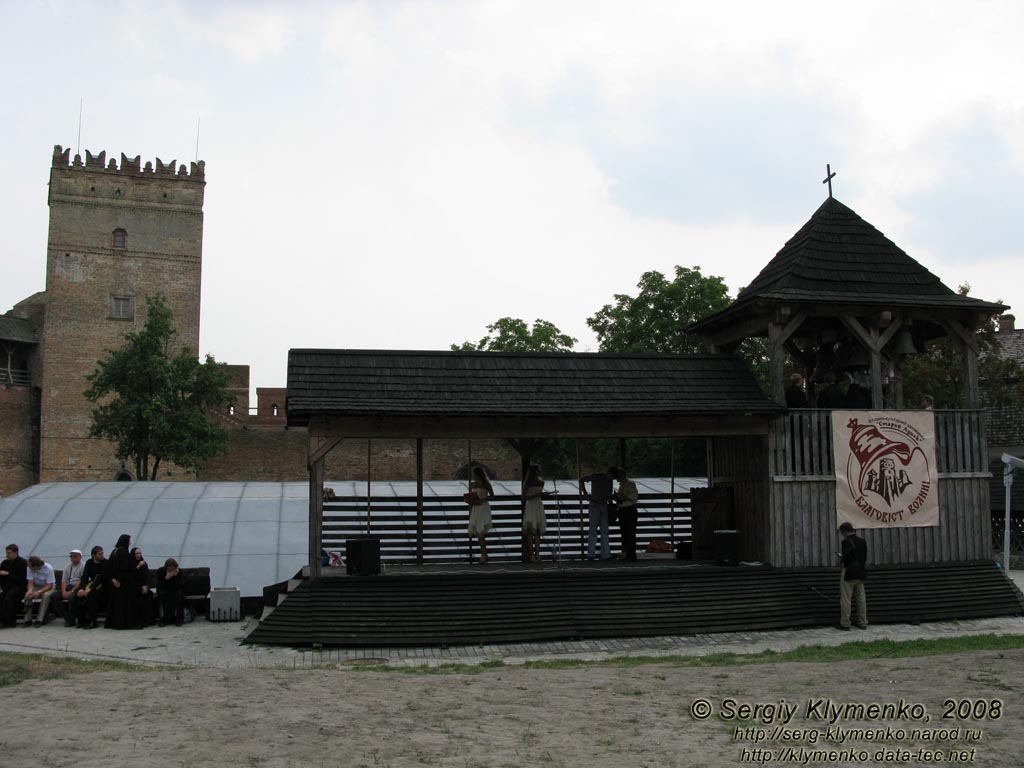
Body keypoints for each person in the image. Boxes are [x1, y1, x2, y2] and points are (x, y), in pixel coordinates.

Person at [837, 521, 868, 631]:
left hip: (848, 573)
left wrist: (841, 560)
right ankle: (863, 621)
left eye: (842, 532)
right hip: (860, 571)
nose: (842, 534)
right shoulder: (862, 541)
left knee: (846, 599)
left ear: (845, 531)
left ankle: (845, 623)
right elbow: (864, 557)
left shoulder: (846, 542)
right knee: (861, 598)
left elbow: (847, 558)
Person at [579, 468, 613, 561]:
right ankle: (591, 554)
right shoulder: (597, 476)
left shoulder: (609, 481)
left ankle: (606, 554)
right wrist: (585, 494)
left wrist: (609, 497)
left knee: (604, 530)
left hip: (603, 504)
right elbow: (581, 480)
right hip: (595, 504)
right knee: (593, 530)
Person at [105, 534, 136, 629]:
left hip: (115, 582)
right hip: (125, 583)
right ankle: (124, 623)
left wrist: (113, 579)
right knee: (124, 604)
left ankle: (114, 622)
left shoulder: (114, 552)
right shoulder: (124, 553)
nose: (130, 542)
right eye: (129, 540)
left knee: (116, 603)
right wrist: (119, 580)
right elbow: (125, 569)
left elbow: (109, 568)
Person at [610, 467, 640, 561]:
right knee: (625, 534)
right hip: (623, 510)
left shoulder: (630, 483)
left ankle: (631, 555)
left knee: (630, 534)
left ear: (621, 476)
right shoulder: (622, 484)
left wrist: (621, 497)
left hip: (629, 510)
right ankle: (628, 554)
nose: (617, 479)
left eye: (617, 477)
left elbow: (633, 498)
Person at [74, 546, 107, 629]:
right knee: (78, 595)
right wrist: (81, 588)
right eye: (100, 554)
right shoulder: (89, 562)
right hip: (92, 585)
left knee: (92, 596)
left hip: (103, 586)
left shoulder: (106, 562)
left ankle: (92, 621)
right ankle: (81, 620)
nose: (102, 555)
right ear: (93, 555)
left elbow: (101, 578)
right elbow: (84, 576)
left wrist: (90, 589)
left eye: (102, 553)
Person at [467, 466, 494, 564]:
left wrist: (482, 499)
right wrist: (470, 501)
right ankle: (484, 554)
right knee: (478, 532)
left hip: (483, 507)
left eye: (475, 474)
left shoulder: (486, 484)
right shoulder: (472, 484)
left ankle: (483, 554)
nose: (473, 476)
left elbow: (492, 496)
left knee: (480, 531)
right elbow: (471, 496)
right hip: (475, 508)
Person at [521, 464, 546, 564]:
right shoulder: (527, 483)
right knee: (531, 531)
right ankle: (532, 555)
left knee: (537, 532)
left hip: (537, 505)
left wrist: (540, 495)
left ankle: (537, 554)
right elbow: (524, 497)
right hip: (531, 505)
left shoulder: (541, 482)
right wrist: (538, 495)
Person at [0, 544, 29, 628]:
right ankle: (2, 620)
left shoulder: (23, 563)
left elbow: (21, 579)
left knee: (9, 598)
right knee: (2, 598)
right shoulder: (5, 563)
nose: (7, 555)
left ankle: (9, 622)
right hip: (7, 587)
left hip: (20, 587)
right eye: (6, 553)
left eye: (9, 553)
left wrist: (8, 574)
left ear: (15, 552)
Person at [55, 549, 86, 627]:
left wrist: (71, 591)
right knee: (54, 596)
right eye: (71, 556)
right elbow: (64, 581)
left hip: (77, 587)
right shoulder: (67, 567)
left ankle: (72, 620)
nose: (72, 558)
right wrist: (63, 591)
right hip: (68, 586)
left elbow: (82, 581)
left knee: (72, 598)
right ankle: (66, 617)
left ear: (80, 557)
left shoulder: (83, 566)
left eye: (75, 556)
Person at [23, 555, 56, 626]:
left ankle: (39, 619)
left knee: (45, 596)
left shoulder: (48, 568)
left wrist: (39, 592)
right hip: (37, 586)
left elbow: (50, 585)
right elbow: (30, 582)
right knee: (27, 595)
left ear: (36, 566)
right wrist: (29, 591)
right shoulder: (29, 568)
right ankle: (27, 620)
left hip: (48, 586)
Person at [156, 558, 185, 626]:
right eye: (169, 567)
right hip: (164, 590)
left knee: (178, 596)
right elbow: (160, 585)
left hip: (175, 590)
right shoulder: (161, 571)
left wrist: (175, 576)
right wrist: (166, 578)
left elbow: (179, 585)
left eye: (173, 567)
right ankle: (164, 619)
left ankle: (178, 619)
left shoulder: (178, 572)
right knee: (163, 597)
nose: (171, 569)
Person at [131, 547, 154, 627]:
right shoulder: (131, 563)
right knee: (139, 598)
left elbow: (147, 576)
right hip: (135, 587)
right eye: (136, 553)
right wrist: (138, 566)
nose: (138, 555)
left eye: (139, 553)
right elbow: (132, 577)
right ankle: (140, 620)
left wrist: (146, 586)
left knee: (149, 595)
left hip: (144, 586)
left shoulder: (144, 563)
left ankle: (149, 620)